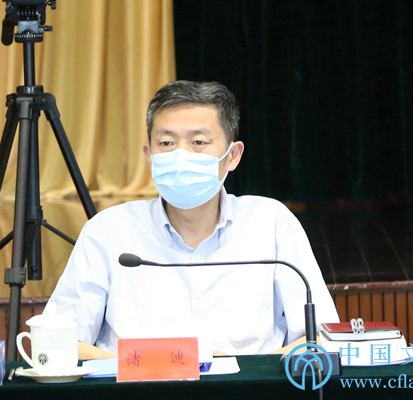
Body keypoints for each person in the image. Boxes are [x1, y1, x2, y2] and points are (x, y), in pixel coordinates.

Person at [44, 81, 339, 359]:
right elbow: (58, 341)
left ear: (233, 155)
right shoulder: (108, 230)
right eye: (166, 143)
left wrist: (248, 370)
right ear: (150, 156)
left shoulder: (270, 223)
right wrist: (148, 365)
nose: (181, 155)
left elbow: (322, 335)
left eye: (198, 142)